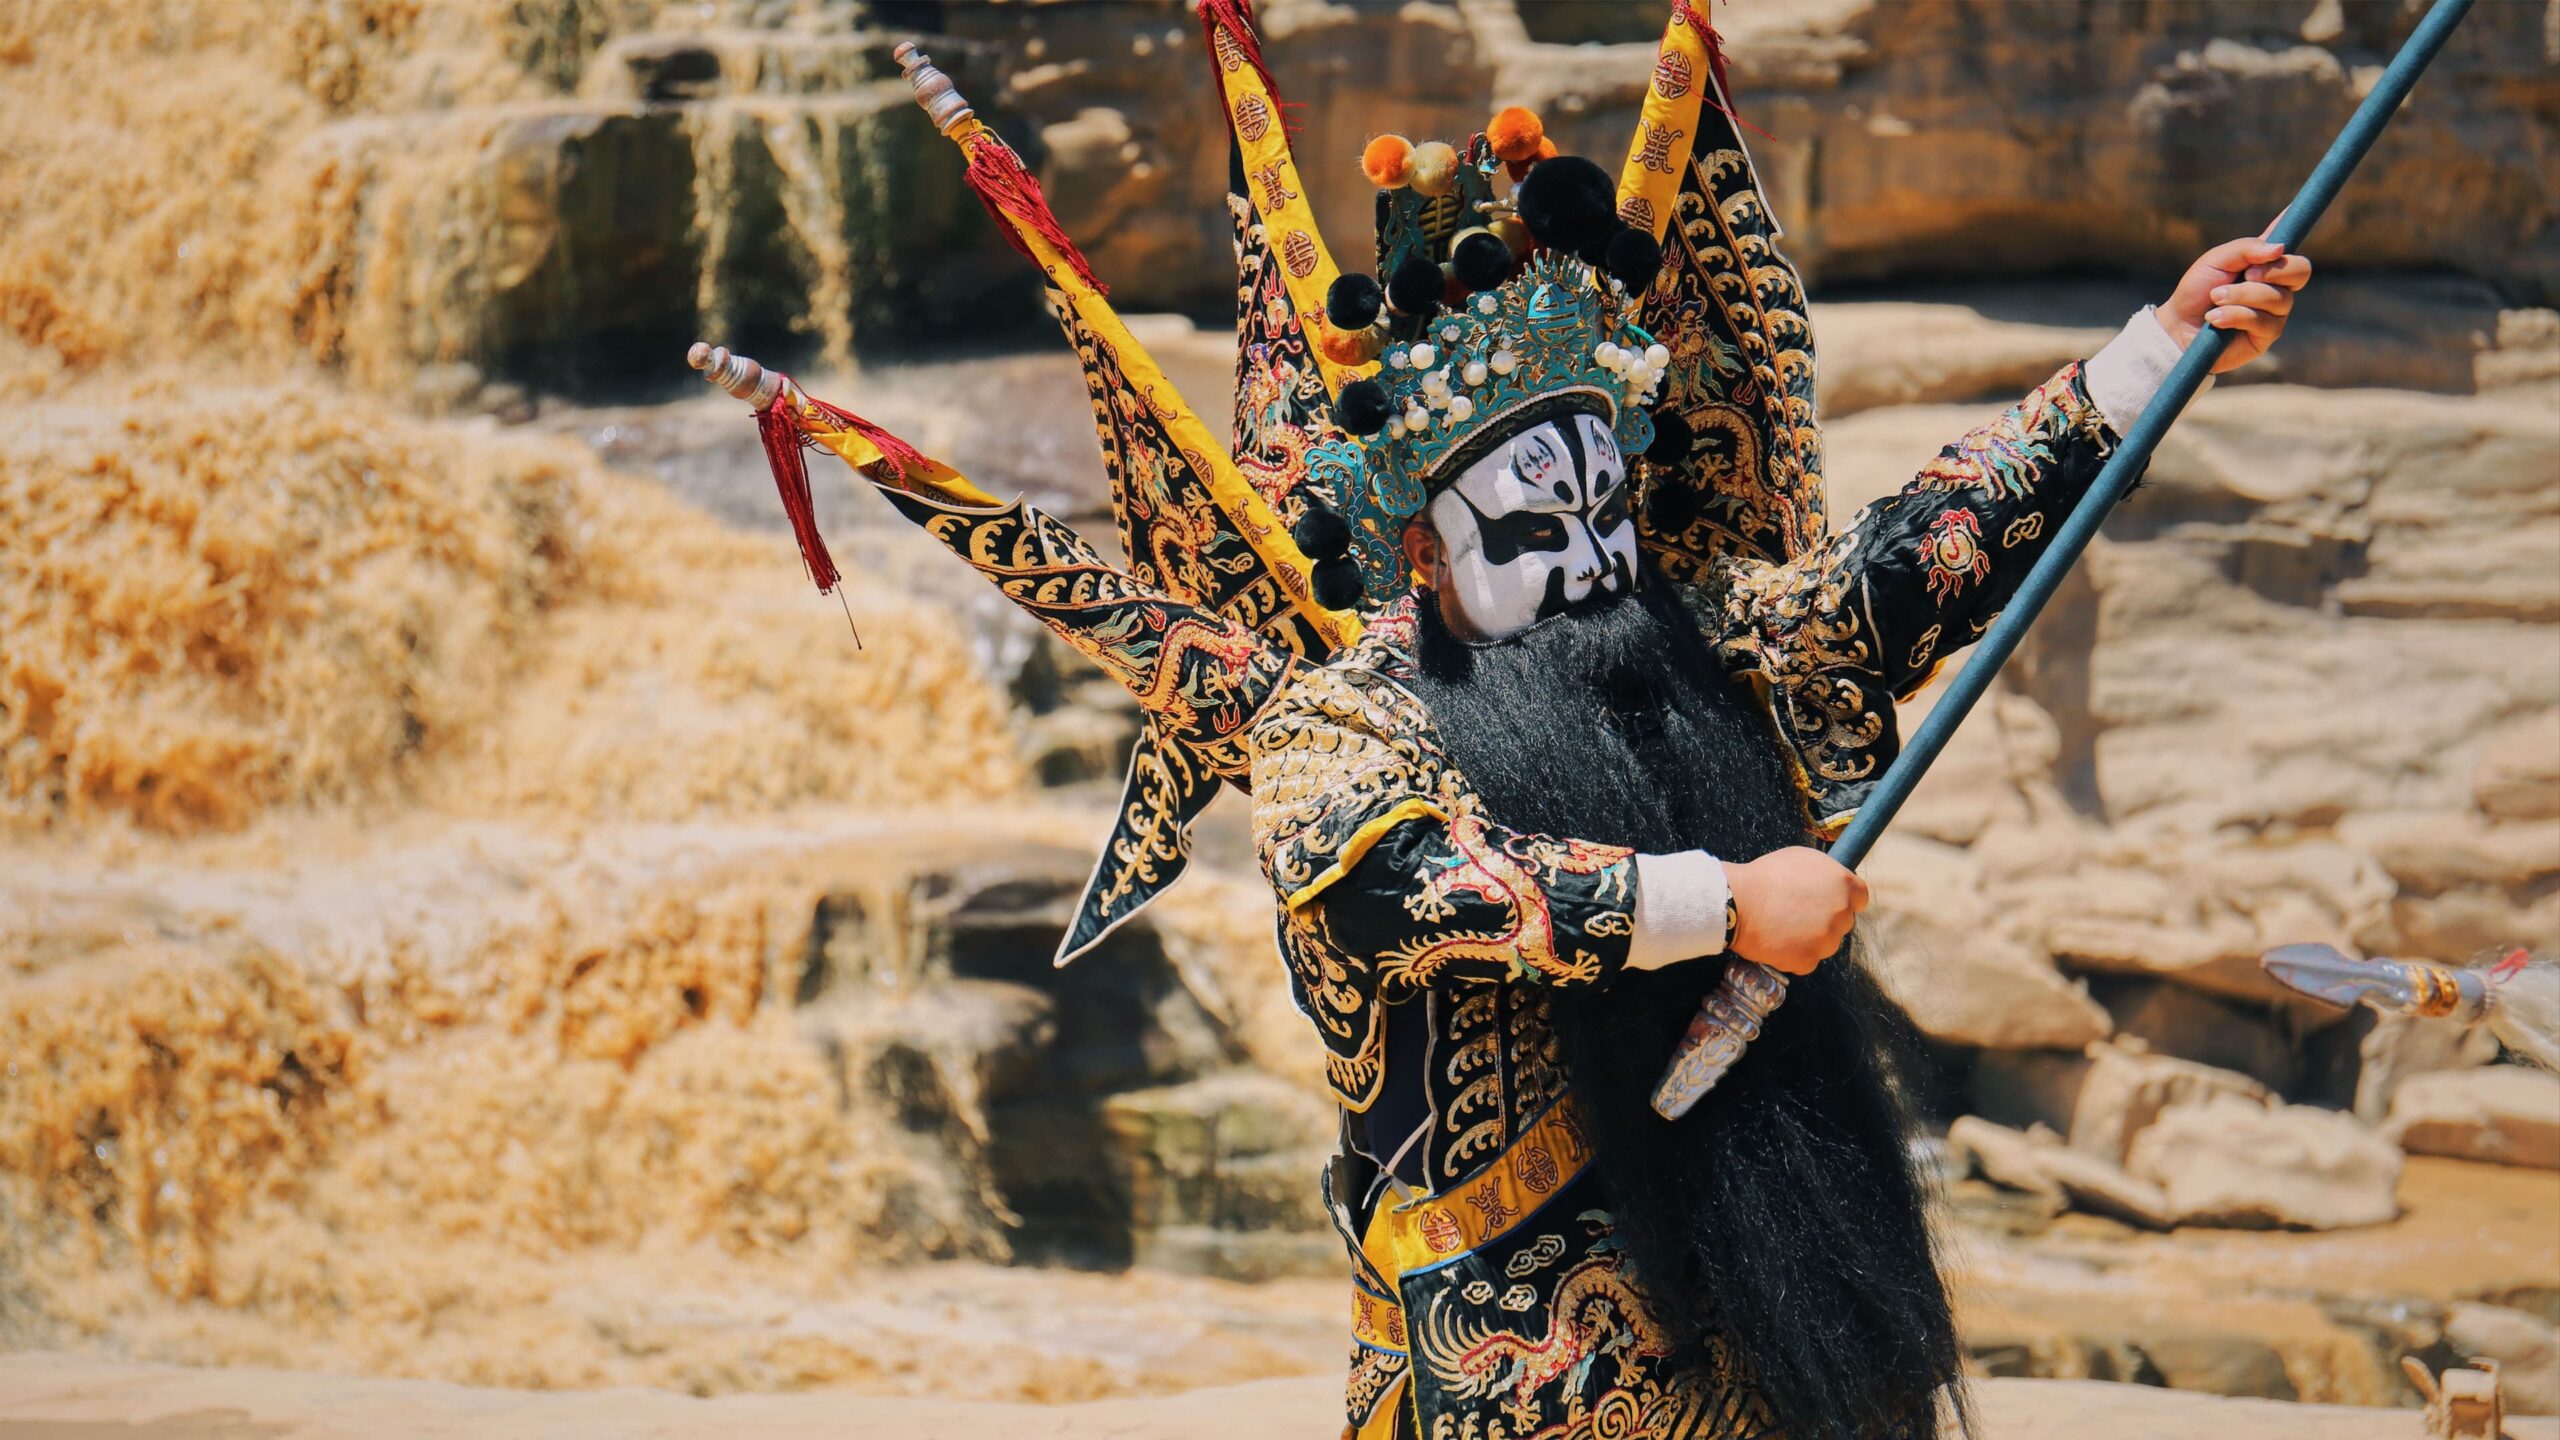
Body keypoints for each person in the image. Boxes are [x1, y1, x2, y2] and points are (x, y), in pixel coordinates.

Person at [698, 6, 2307, 1436]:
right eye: (1535, 532)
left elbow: (1912, 561)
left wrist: (2154, 355)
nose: (1593, 562)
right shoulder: (1342, 727)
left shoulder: (1693, 634)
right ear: (1419, 546)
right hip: (1509, 1371)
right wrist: (1724, 904)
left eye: (1604, 513)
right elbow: (1413, 883)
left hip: (1767, 1330)